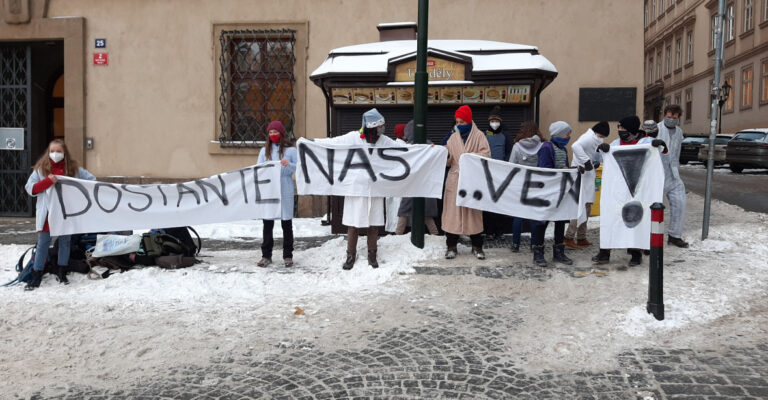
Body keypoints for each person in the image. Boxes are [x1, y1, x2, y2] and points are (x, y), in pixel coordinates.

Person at [315, 108, 396, 269]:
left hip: (375, 190)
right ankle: (350, 254)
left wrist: (423, 148)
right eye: (379, 127)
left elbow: (400, 149)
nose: (381, 129)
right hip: (355, 190)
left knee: (374, 223)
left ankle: (372, 254)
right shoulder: (354, 138)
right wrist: (312, 142)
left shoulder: (383, 140)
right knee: (354, 223)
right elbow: (334, 142)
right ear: (371, 126)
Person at [592, 116, 668, 267]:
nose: (620, 131)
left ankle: (635, 253)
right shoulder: (616, 144)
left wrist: (659, 145)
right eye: (619, 128)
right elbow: (600, 157)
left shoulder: (645, 142)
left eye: (623, 129)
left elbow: (661, 152)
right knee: (611, 218)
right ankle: (604, 252)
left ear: (631, 130)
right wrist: (602, 151)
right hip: (619, 190)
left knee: (637, 219)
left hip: (639, 189)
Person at [24, 139, 96, 290]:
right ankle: (37, 273)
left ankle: (62, 270)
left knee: (65, 242)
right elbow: (30, 189)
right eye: (52, 151)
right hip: (48, 213)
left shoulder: (74, 169)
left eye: (58, 151)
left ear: (64, 153)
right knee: (43, 242)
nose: (55, 154)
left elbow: (92, 181)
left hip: (66, 213)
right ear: (48, 153)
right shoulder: (41, 170)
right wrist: (46, 182)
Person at [442, 105, 491, 259]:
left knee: (474, 214)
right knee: (452, 215)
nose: (459, 125)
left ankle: (477, 247)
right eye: (457, 122)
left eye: (462, 122)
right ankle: (451, 247)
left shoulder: (480, 136)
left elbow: (486, 155)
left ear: (469, 121)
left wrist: (468, 158)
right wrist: (443, 153)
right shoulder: (452, 137)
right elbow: (449, 161)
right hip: (455, 180)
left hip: (472, 181)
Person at [533, 121, 574, 266]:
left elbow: (565, 166)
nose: (569, 136)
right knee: (541, 222)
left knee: (560, 221)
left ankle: (559, 252)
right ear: (558, 134)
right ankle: (538, 253)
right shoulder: (546, 148)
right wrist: (562, 170)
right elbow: (544, 170)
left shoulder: (563, 149)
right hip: (546, 193)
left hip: (560, 193)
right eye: (567, 133)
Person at [257, 120, 298, 268]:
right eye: (270, 132)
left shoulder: (291, 150)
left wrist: (288, 165)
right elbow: (259, 169)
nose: (273, 135)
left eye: (275, 132)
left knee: (286, 223)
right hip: (269, 190)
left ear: (281, 133)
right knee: (267, 224)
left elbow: (296, 168)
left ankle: (288, 255)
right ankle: (266, 255)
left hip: (284, 189)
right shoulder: (264, 151)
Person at [563, 121, 610, 249]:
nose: (602, 138)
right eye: (602, 136)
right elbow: (575, 146)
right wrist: (586, 161)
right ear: (597, 133)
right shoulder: (588, 137)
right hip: (581, 175)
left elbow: (593, 153)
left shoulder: (596, 139)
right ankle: (568, 237)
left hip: (588, 176)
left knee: (588, 206)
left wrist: (595, 161)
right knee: (580, 207)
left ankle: (581, 237)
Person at [396, 120, 439, 235]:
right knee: (426, 215)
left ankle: (397, 235)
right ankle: (435, 236)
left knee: (404, 211)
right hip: (426, 184)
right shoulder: (431, 146)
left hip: (411, 183)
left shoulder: (409, 148)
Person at [507, 121, 545, 254]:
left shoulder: (517, 146)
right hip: (537, 185)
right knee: (534, 215)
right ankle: (534, 243)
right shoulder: (542, 145)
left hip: (520, 184)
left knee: (518, 215)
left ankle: (515, 243)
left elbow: (511, 165)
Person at [656, 105, 689, 248]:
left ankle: (674, 236)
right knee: (654, 207)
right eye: (668, 117)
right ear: (664, 115)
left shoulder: (679, 132)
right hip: (657, 173)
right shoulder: (656, 129)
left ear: (678, 118)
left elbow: (677, 152)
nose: (671, 120)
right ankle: (646, 240)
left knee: (680, 203)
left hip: (673, 174)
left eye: (674, 118)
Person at [482, 106, 509, 241]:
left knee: (500, 205)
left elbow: (509, 153)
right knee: (488, 205)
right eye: (492, 120)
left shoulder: (506, 135)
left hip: (501, 175)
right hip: (487, 174)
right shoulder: (483, 135)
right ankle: (489, 231)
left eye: (496, 120)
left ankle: (500, 231)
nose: (494, 123)